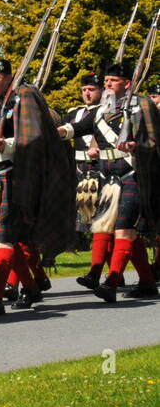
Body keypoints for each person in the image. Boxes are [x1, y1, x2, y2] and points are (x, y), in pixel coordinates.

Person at [0, 58, 75, 316]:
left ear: (8, 78)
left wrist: (7, 145)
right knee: (8, 239)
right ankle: (30, 288)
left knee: (5, 239)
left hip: (12, 177)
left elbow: (35, 137)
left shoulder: (21, 105)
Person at [60, 63, 157, 302]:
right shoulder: (103, 107)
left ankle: (111, 282)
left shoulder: (142, 104)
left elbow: (155, 141)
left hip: (131, 174)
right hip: (107, 178)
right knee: (115, 230)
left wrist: (138, 146)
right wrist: (58, 131)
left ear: (126, 83)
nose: (108, 85)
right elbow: (79, 128)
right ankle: (147, 282)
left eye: (112, 81)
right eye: (106, 82)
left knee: (123, 229)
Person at [63, 73, 111, 290]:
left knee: (107, 225)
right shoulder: (74, 113)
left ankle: (97, 273)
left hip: (103, 171)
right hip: (80, 174)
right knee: (96, 226)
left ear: (101, 90)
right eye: (84, 89)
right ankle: (132, 277)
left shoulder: (110, 113)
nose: (87, 93)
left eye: (91, 89)